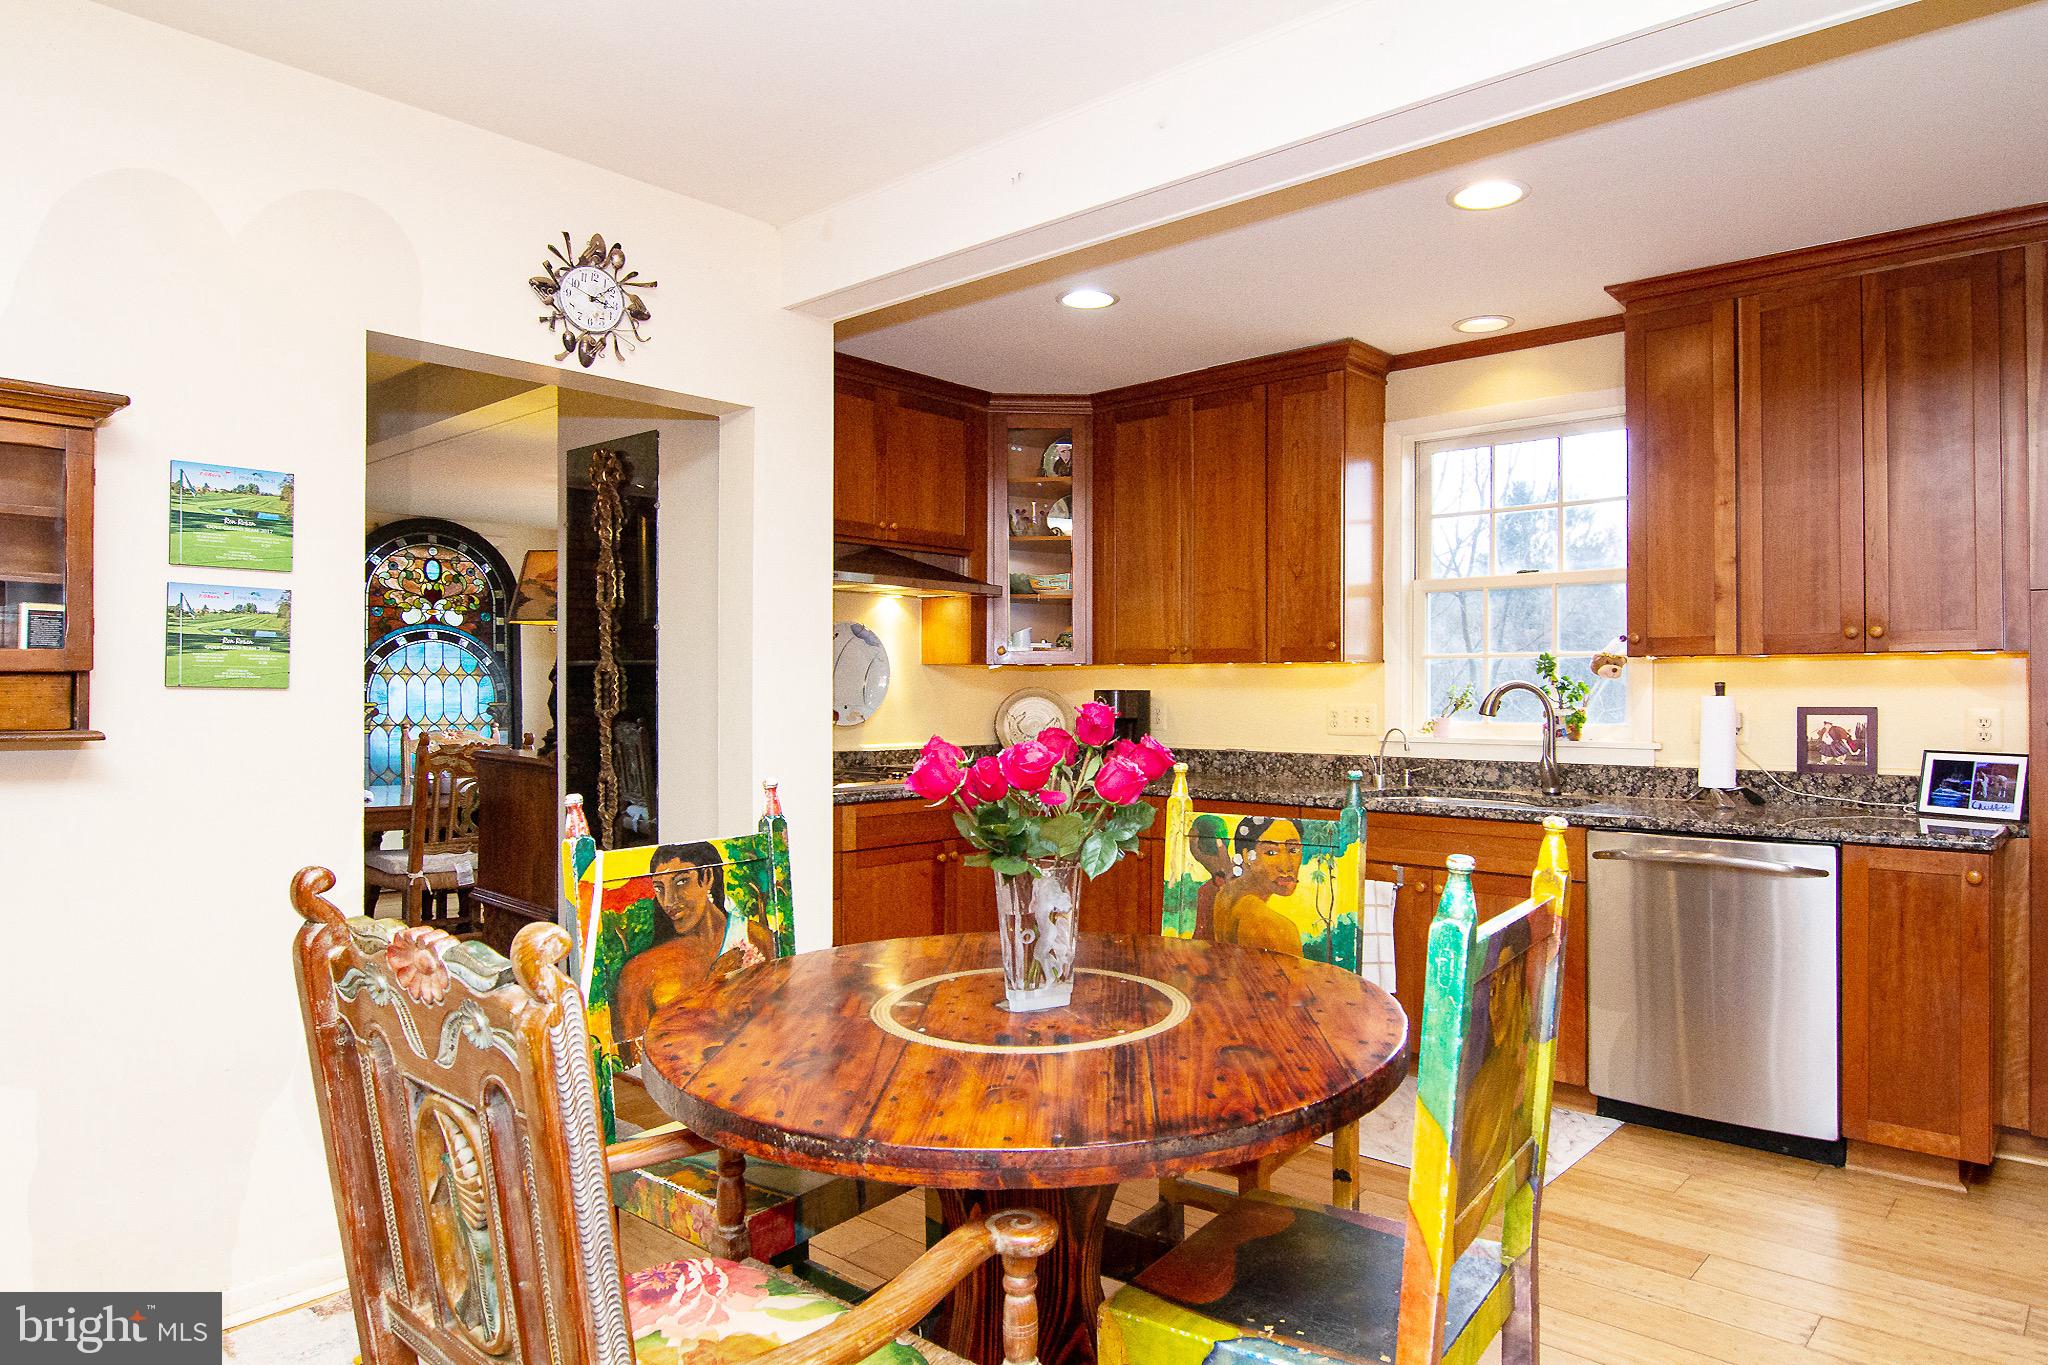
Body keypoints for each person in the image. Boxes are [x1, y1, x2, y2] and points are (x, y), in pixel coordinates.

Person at [613, 842, 775, 1054]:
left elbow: (775, 1016)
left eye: (681, 882)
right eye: (659, 888)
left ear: (707, 878)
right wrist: (713, 984)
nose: (668, 901)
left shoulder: (756, 938)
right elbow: (631, 1060)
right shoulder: (639, 971)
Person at [1213, 816, 1305, 956]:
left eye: (1293, 850)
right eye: (1271, 852)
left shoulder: (1224, 896)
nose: (1286, 866)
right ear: (1247, 856)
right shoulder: (1277, 928)